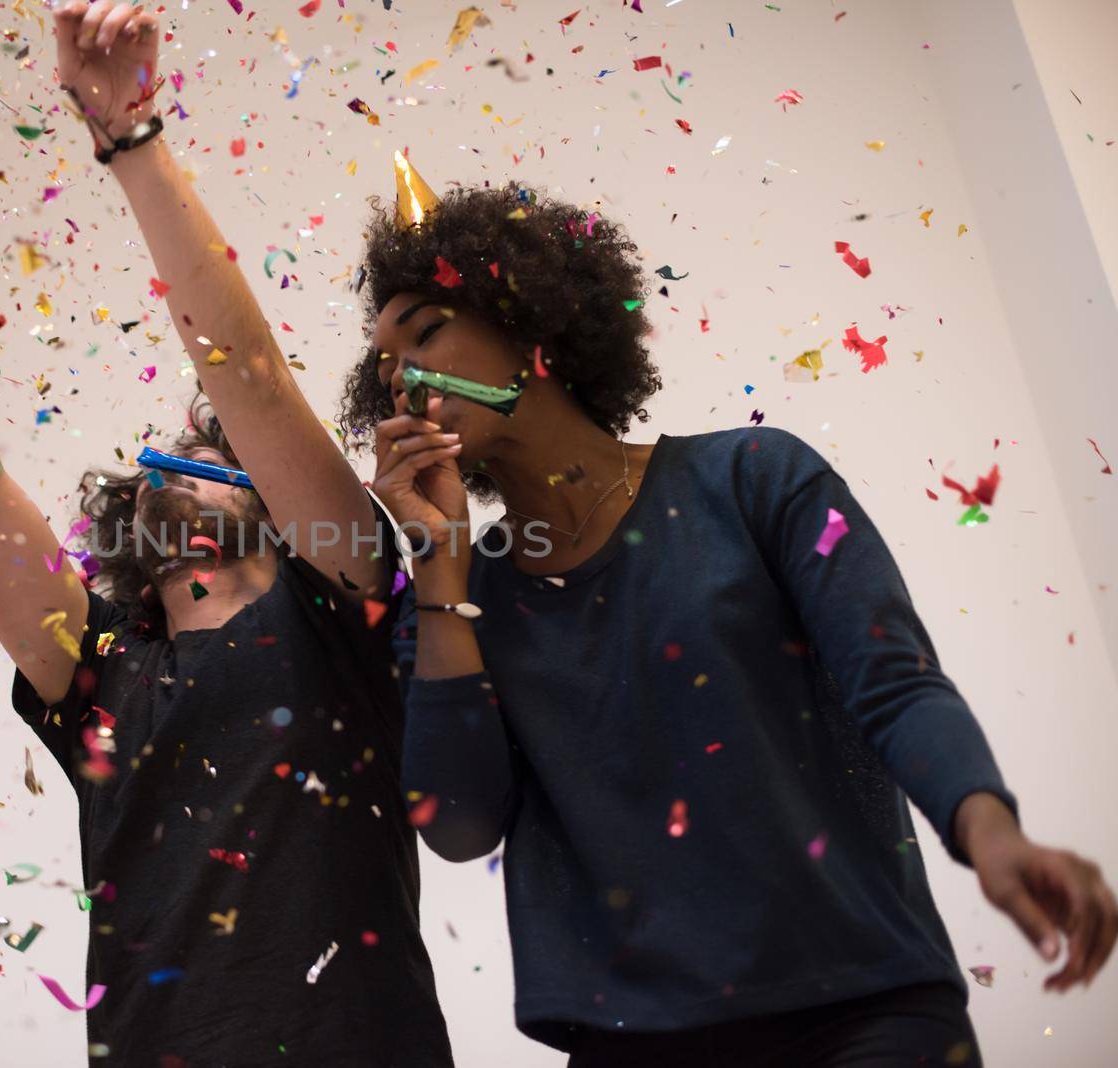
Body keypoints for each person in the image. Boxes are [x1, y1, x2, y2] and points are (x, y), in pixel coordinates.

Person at [344, 179, 1118, 1066]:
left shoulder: (754, 480)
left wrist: (992, 833)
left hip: (865, 1012)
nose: (403, 379)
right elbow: (459, 826)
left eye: (427, 330)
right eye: (384, 366)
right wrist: (438, 568)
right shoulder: (459, 595)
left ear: (529, 321)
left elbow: (894, 683)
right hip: (632, 1043)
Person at [0, 4, 452, 1064]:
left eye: (213, 451)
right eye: (167, 452)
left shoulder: (338, 602)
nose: (180, 455)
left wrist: (129, 135)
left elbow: (247, 370)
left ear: (269, 499)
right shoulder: (97, 670)